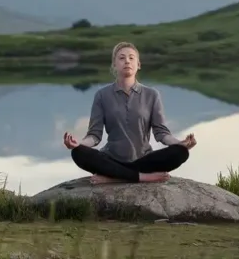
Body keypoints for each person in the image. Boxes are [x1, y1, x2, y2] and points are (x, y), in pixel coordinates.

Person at [62, 41, 197, 184]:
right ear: (114, 65)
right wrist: (78, 144)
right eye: (121, 58)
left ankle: (113, 178)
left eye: (131, 58)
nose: (127, 61)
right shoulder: (102, 95)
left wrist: (180, 143)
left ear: (138, 64)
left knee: (180, 153)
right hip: (111, 159)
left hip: (144, 160)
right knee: (78, 153)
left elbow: (162, 133)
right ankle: (141, 177)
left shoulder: (152, 95)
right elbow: (94, 136)